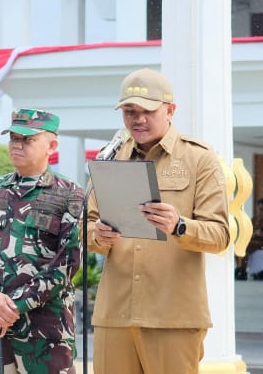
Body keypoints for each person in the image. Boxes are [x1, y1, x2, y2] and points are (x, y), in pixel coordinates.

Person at [88, 69, 230, 374]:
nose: (137, 119)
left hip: (172, 316)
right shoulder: (111, 157)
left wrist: (179, 226)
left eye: (147, 111)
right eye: (129, 111)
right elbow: (85, 227)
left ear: (170, 110)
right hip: (116, 314)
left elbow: (220, 234)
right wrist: (97, 235)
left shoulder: (199, 159)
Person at [0, 109, 84, 374]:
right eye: (13, 138)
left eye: (27, 139)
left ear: (51, 146)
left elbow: (67, 264)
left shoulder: (71, 195)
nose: (17, 145)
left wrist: (14, 306)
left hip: (45, 334)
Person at [237, 197, 263, 280]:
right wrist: (256, 233)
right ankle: (241, 270)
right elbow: (248, 233)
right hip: (256, 241)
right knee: (243, 247)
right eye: (261, 209)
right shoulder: (255, 219)